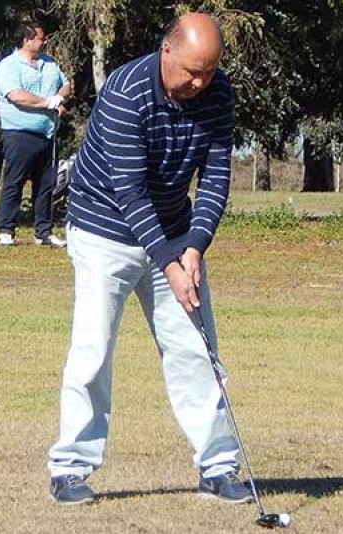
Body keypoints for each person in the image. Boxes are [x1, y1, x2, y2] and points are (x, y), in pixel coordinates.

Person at [47, 12, 251, 506]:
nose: (200, 84)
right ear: (167, 51)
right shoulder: (125, 92)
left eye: (209, 72)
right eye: (192, 72)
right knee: (93, 351)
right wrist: (169, 264)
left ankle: (218, 467)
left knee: (196, 351)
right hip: (104, 230)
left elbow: (216, 178)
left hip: (175, 231)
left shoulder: (218, 93)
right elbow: (131, 193)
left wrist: (194, 247)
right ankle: (69, 469)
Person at [0, 20, 71, 247]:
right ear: (26, 40)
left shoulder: (50, 63)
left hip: (47, 133)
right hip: (19, 133)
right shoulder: (9, 65)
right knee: (14, 182)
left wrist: (60, 97)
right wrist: (48, 102)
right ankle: (6, 230)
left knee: (46, 185)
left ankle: (43, 232)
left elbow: (66, 85)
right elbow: (16, 95)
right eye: (40, 38)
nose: (44, 41)